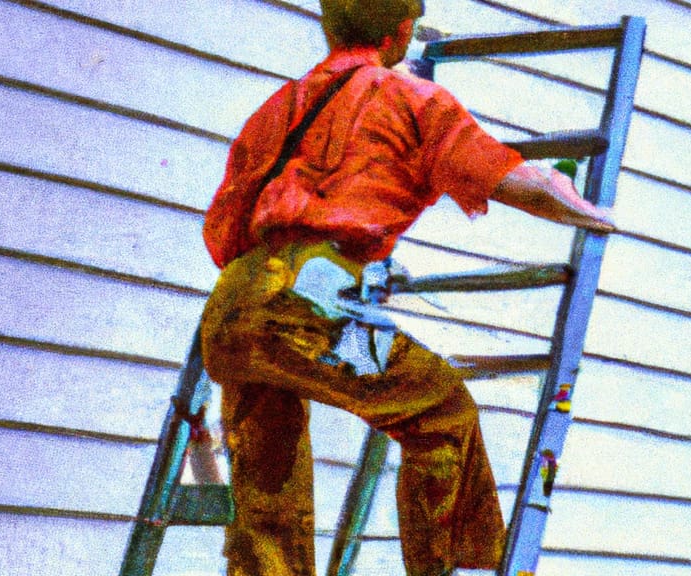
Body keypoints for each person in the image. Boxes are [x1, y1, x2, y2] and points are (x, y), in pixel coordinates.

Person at [199, 1, 614, 574]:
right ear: (401, 31)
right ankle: (440, 568)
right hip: (307, 301)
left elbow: (223, 226)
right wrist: (593, 213)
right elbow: (513, 180)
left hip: (230, 306)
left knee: (268, 486)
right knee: (441, 412)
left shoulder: (278, 106)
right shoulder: (414, 102)